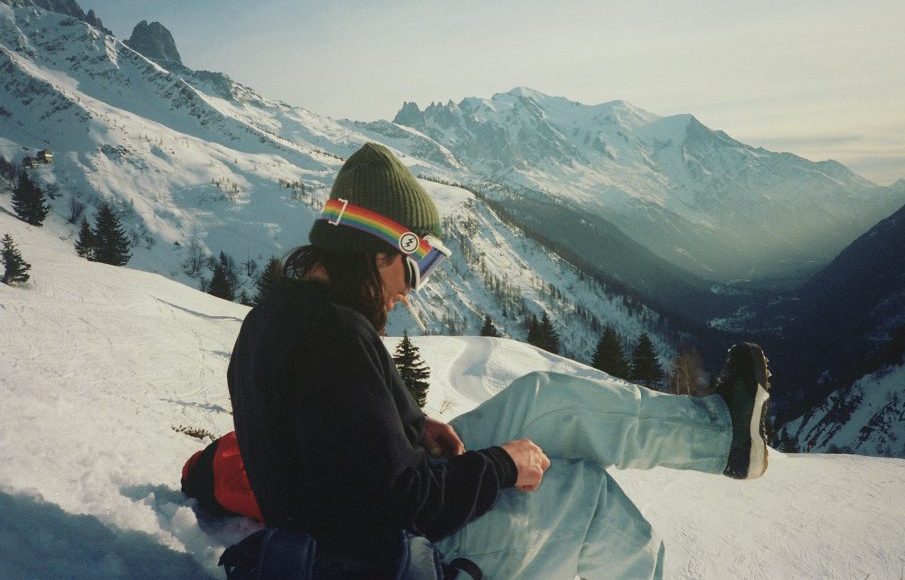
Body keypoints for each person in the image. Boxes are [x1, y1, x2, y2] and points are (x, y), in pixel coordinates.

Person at [226, 142, 771, 579]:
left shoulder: (278, 318)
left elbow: (341, 445)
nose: (409, 292)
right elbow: (401, 508)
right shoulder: (334, 341)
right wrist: (503, 467)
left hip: (364, 514)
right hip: (389, 556)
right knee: (583, 495)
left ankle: (723, 436)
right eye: (417, 267)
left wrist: (407, 427)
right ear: (379, 251)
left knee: (545, 400)